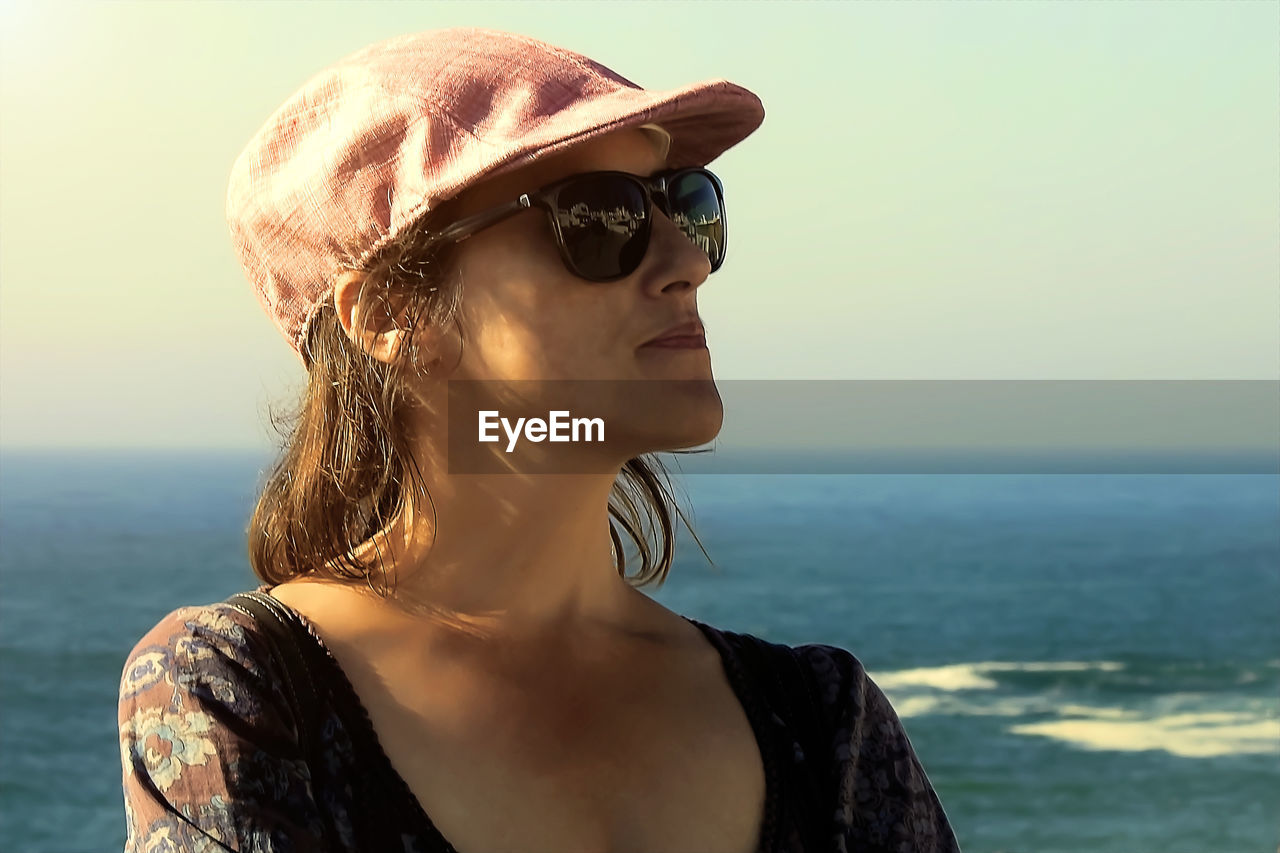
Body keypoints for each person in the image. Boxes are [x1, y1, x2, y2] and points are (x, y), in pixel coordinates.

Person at [116, 27, 961, 853]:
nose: (685, 261)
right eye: (600, 217)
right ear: (390, 316)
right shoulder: (245, 693)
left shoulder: (824, 723)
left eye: (688, 204)